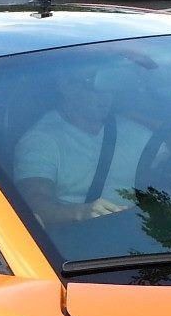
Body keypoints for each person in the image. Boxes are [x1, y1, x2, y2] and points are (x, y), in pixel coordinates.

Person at [14, 66, 152, 225]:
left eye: (110, 85)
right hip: (83, 240)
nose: (106, 95)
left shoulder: (133, 130)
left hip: (143, 233)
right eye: (95, 84)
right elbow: (35, 209)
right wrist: (82, 213)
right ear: (66, 86)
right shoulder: (41, 141)